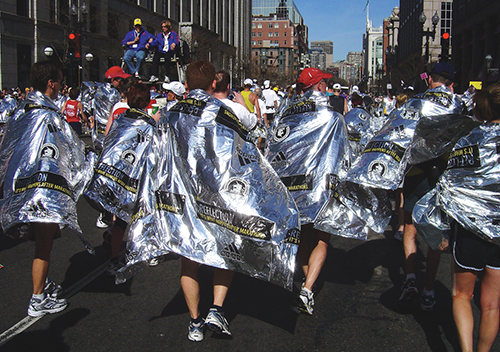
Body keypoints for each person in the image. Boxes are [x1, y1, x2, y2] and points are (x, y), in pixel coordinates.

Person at [0, 61, 94, 317]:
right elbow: (70, 151)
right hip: (43, 190)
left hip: (23, 188)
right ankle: (37, 298)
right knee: (43, 244)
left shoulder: (21, 111)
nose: (63, 86)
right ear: (51, 84)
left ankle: (42, 285)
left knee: (46, 240)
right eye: (61, 82)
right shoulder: (49, 115)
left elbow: (7, 150)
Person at [180, 60, 235, 342]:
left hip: (181, 196)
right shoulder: (221, 111)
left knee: (190, 260)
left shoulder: (169, 112)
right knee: (223, 254)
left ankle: (194, 321)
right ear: (214, 83)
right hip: (215, 194)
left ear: (186, 83)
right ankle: (216, 308)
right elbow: (234, 156)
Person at [400, 62, 459, 311]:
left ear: (429, 80)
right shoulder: (459, 104)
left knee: (410, 227)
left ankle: (410, 277)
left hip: (415, 171)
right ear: (452, 84)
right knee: (437, 234)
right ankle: (429, 288)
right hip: (442, 175)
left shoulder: (414, 102)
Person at [448, 82, 500, 352]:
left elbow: (452, 183)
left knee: (462, 295)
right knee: (491, 304)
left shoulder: (469, 139)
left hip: (471, 229)